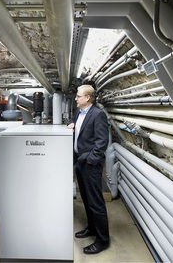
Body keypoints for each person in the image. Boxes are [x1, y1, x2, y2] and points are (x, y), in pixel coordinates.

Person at [67, 84, 110, 254]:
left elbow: (101, 142)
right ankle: (91, 228)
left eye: (78, 96)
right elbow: (74, 120)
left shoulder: (98, 115)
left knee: (96, 203)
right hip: (80, 162)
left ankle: (102, 240)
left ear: (87, 98)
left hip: (90, 165)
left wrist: (90, 160)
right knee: (86, 199)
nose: (76, 98)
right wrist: (71, 123)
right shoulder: (79, 112)